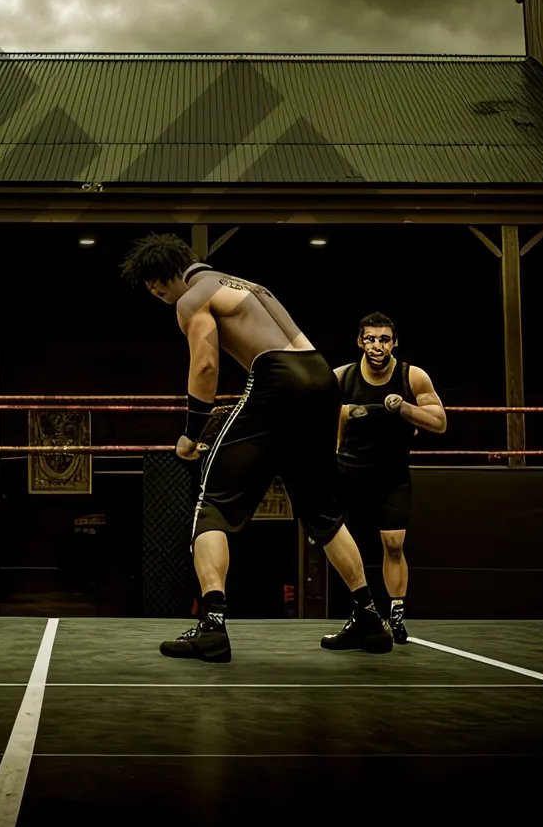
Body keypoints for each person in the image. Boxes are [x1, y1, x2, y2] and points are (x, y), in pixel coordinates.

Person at [120, 233, 393, 662]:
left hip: (276, 379)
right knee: (320, 510)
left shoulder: (192, 300)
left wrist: (193, 432)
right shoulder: (245, 285)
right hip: (321, 378)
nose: (159, 297)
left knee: (212, 505)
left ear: (167, 277)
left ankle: (212, 626)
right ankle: (369, 617)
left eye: (157, 289)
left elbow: (206, 365)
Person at [334, 314, 446, 644]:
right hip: (349, 473)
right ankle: (361, 613)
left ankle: (395, 613)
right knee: (346, 546)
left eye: (384, 339)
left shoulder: (412, 376)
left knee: (394, 544)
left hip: (391, 474)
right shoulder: (343, 377)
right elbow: (313, 413)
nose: (377, 346)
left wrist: (405, 409)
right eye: (370, 339)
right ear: (360, 342)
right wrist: (343, 415)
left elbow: (439, 422)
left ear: (394, 341)